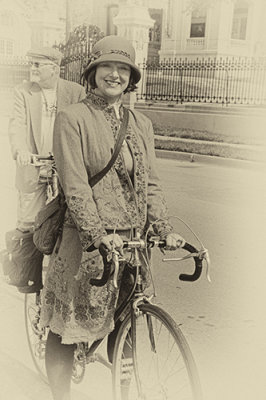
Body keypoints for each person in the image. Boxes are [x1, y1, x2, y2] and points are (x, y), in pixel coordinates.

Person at [39, 35, 186, 400]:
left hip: (133, 245)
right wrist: (97, 234)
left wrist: (163, 227)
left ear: (132, 77)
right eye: (108, 66)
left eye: (124, 69)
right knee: (67, 328)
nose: (115, 75)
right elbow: (74, 186)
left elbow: (150, 183)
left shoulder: (142, 124)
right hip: (87, 245)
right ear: (93, 72)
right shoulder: (72, 118)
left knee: (128, 327)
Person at [8, 46, 86, 233]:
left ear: (54, 69)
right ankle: (26, 260)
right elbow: (18, 125)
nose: (32, 68)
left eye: (37, 64)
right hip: (34, 167)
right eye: (31, 64)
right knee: (28, 225)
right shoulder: (23, 92)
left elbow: (83, 128)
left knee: (66, 226)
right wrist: (21, 151)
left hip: (64, 170)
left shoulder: (75, 92)